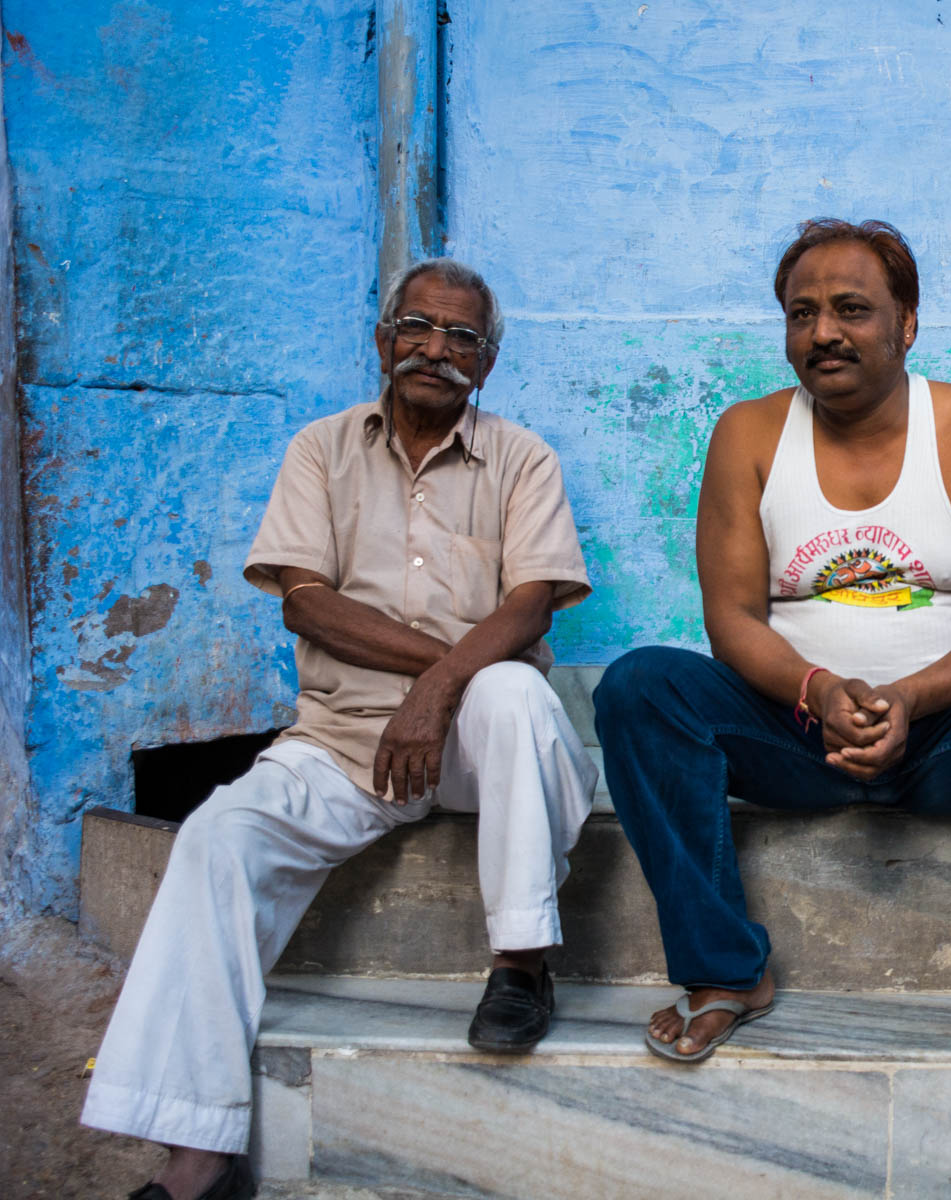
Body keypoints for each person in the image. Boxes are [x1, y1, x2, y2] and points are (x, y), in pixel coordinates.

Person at [82, 258, 599, 1200]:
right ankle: (197, 1157)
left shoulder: (523, 457)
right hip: (342, 738)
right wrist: (431, 676)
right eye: (418, 327)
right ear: (382, 339)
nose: (436, 349)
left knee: (515, 695)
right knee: (215, 839)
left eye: (462, 338)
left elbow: (529, 608)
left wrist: (443, 689)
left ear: (487, 363)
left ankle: (521, 965)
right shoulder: (319, 451)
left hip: (481, 741)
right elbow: (307, 607)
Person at [593, 218, 951, 1089]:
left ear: (907, 323)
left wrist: (909, 699)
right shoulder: (748, 436)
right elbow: (732, 623)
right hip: (795, 732)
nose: (823, 332)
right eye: (802, 314)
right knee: (639, 687)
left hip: (948, 736)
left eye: (850, 310)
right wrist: (819, 690)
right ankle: (727, 970)